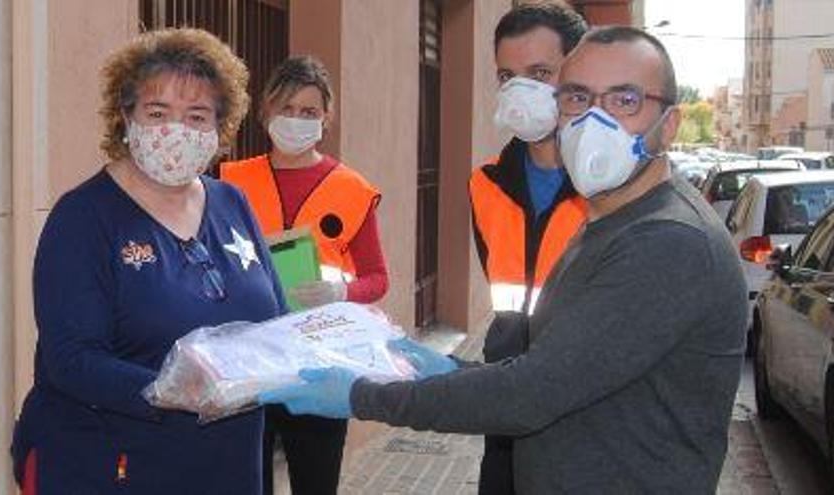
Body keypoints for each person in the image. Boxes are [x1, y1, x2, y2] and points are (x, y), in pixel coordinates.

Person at [260, 26, 748, 493]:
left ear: (671, 124)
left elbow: (533, 392)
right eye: (577, 97)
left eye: (624, 101)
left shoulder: (669, 241)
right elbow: (559, 369)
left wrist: (359, 396)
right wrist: (450, 371)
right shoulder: (608, 221)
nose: (594, 121)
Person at [9, 28, 286, 495]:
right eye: (158, 112)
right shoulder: (84, 217)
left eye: (197, 115)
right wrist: (176, 388)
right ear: (125, 117)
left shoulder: (232, 203)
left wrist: (331, 345)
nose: (175, 131)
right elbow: (72, 360)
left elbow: (274, 320)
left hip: (230, 465)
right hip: (115, 468)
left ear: (221, 128)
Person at [220, 55, 389, 495]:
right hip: (251, 359)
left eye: (309, 111)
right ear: (265, 113)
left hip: (321, 364)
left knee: (316, 483)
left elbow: (377, 278)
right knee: (245, 483)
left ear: (326, 118)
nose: (296, 120)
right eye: (286, 109)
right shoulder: (228, 182)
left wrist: (340, 290)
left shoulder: (352, 189)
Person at [468, 3, 587, 493]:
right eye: (507, 75)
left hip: (583, 412)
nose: (521, 90)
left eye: (540, 73)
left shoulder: (610, 188)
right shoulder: (485, 184)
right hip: (507, 409)